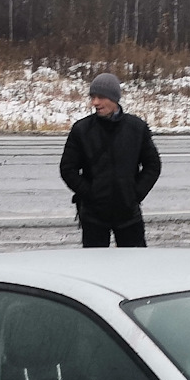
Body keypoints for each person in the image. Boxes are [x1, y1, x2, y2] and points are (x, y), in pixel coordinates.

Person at [59, 73, 161, 248]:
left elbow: (153, 165)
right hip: (94, 217)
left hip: (129, 216)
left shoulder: (136, 128)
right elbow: (67, 169)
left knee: (135, 267)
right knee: (95, 270)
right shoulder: (81, 130)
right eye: (92, 97)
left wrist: (135, 194)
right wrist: (90, 194)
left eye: (101, 97)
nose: (95, 103)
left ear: (114, 99)